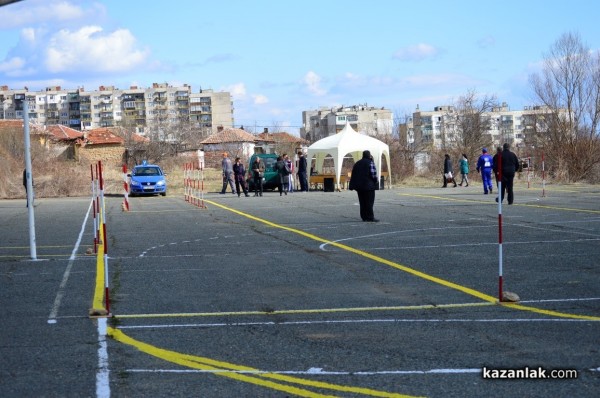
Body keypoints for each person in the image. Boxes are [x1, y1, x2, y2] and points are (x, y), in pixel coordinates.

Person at [348, 150, 379, 222]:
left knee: (362, 202)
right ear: (369, 155)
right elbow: (373, 174)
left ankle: (364, 217)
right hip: (368, 186)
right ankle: (370, 217)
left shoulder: (357, 163)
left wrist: (352, 185)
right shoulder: (370, 163)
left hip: (359, 186)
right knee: (369, 202)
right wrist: (376, 181)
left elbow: (354, 174)